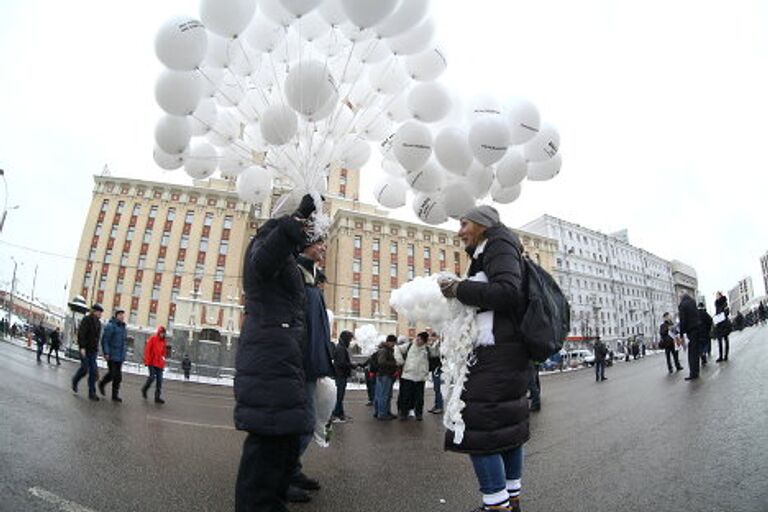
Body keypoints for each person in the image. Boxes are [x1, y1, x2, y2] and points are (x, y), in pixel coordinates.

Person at [439, 205, 530, 512]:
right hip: (506, 351)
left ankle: (496, 505)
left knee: (479, 428)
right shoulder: (495, 246)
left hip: (497, 354)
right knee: (505, 426)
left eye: (464, 223)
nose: (459, 230)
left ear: (482, 224)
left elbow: (507, 292)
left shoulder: (498, 243)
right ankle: (509, 500)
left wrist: (459, 289)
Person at [234, 194, 316, 512]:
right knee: (264, 465)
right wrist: (291, 222)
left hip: (281, 361)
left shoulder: (283, 253)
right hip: (269, 364)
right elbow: (264, 262)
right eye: (305, 222)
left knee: (280, 453)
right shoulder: (264, 243)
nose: (309, 231)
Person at [394, 331, 430, 421]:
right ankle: (403, 413)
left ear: (424, 341)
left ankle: (418, 413)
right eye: (417, 338)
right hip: (408, 375)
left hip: (420, 377)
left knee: (419, 398)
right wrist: (400, 361)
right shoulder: (409, 346)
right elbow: (397, 348)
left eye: (421, 339)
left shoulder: (427, 349)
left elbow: (437, 353)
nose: (418, 340)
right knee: (405, 396)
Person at [71, 304, 104, 401]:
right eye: (99, 312)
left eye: (101, 312)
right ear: (94, 311)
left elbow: (96, 338)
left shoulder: (98, 323)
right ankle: (75, 380)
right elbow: (81, 333)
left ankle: (92, 393)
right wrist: (82, 347)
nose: (100, 314)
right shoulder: (87, 320)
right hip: (85, 349)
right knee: (85, 369)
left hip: (93, 351)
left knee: (93, 372)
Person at [98, 309, 127, 402]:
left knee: (118, 377)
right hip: (111, 355)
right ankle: (102, 384)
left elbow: (124, 343)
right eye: (120, 315)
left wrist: (123, 355)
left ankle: (115, 395)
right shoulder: (111, 326)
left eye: (123, 315)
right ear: (116, 316)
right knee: (112, 374)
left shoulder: (123, 328)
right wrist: (106, 352)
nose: (122, 317)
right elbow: (105, 340)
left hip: (119, 356)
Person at [374, 335, 398, 421]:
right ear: (389, 342)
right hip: (385, 375)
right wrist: (394, 363)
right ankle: (382, 414)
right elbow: (381, 362)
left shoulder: (385, 349)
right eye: (393, 342)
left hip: (384, 375)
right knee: (384, 395)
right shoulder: (384, 350)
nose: (394, 344)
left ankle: (382, 412)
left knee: (381, 395)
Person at [332, 331, 354, 423]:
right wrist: (351, 365)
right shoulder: (341, 348)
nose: (350, 341)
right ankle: (336, 414)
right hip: (340, 375)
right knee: (339, 396)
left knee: (340, 396)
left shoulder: (341, 346)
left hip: (340, 374)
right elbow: (342, 363)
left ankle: (340, 413)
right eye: (349, 339)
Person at [679, 293, 702, 381]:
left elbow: (683, 320)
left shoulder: (682, 305)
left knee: (691, 352)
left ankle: (693, 373)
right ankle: (696, 371)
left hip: (690, 330)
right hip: (697, 329)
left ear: (682, 298)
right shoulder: (693, 302)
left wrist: (681, 334)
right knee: (696, 351)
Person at [142, 326, 168, 404]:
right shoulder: (153, 339)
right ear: (158, 333)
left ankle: (157, 397)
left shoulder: (164, 342)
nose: (162, 335)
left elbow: (163, 353)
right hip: (152, 362)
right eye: (161, 333)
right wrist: (147, 361)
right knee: (152, 377)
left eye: (163, 333)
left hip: (159, 364)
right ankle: (145, 389)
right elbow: (147, 350)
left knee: (159, 381)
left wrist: (163, 361)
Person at [427, 332, 444, 414]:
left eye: (433, 337)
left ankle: (440, 406)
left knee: (438, 388)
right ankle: (437, 405)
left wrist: (429, 349)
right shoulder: (434, 344)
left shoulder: (439, 345)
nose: (431, 339)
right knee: (436, 388)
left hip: (438, 369)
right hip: (435, 369)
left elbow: (436, 354)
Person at [714, 292, 732, 362]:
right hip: (719, 324)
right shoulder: (716, 304)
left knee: (725, 339)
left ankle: (726, 355)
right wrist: (716, 318)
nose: (716, 297)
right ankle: (720, 356)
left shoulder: (725, 303)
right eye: (716, 296)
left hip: (724, 323)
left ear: (720, 295)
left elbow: (727, 312)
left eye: (717, 295)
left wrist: (722, 315)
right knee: (719, 340)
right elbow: (717, 313)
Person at [697, 303, 713, 367]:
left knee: (700, 346)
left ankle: (702, 357)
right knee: (706, 344)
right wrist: (708, 328)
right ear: (703, 307)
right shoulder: (705, 313)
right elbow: (710, 320)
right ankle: (704, 353)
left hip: (698, 333)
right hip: (705, 332)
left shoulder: (695, 314)